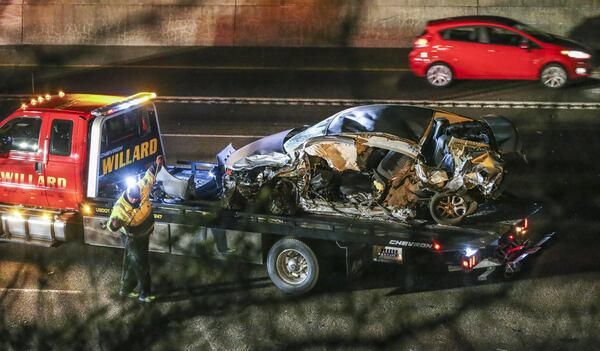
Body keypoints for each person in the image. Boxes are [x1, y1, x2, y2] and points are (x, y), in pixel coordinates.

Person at [107, 155, 163, 303]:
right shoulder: (120, 209)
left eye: (138, 198)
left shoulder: (140, 188)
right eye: (134, 199)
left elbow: (149, 178)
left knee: (132, 262)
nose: (136, 200)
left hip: (144, 233)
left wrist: (155, 165)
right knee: (141, 264)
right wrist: (115, 224)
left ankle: (126, 289)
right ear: (129, 196)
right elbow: (111, 225)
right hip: (133, 238)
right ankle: (145, 293)